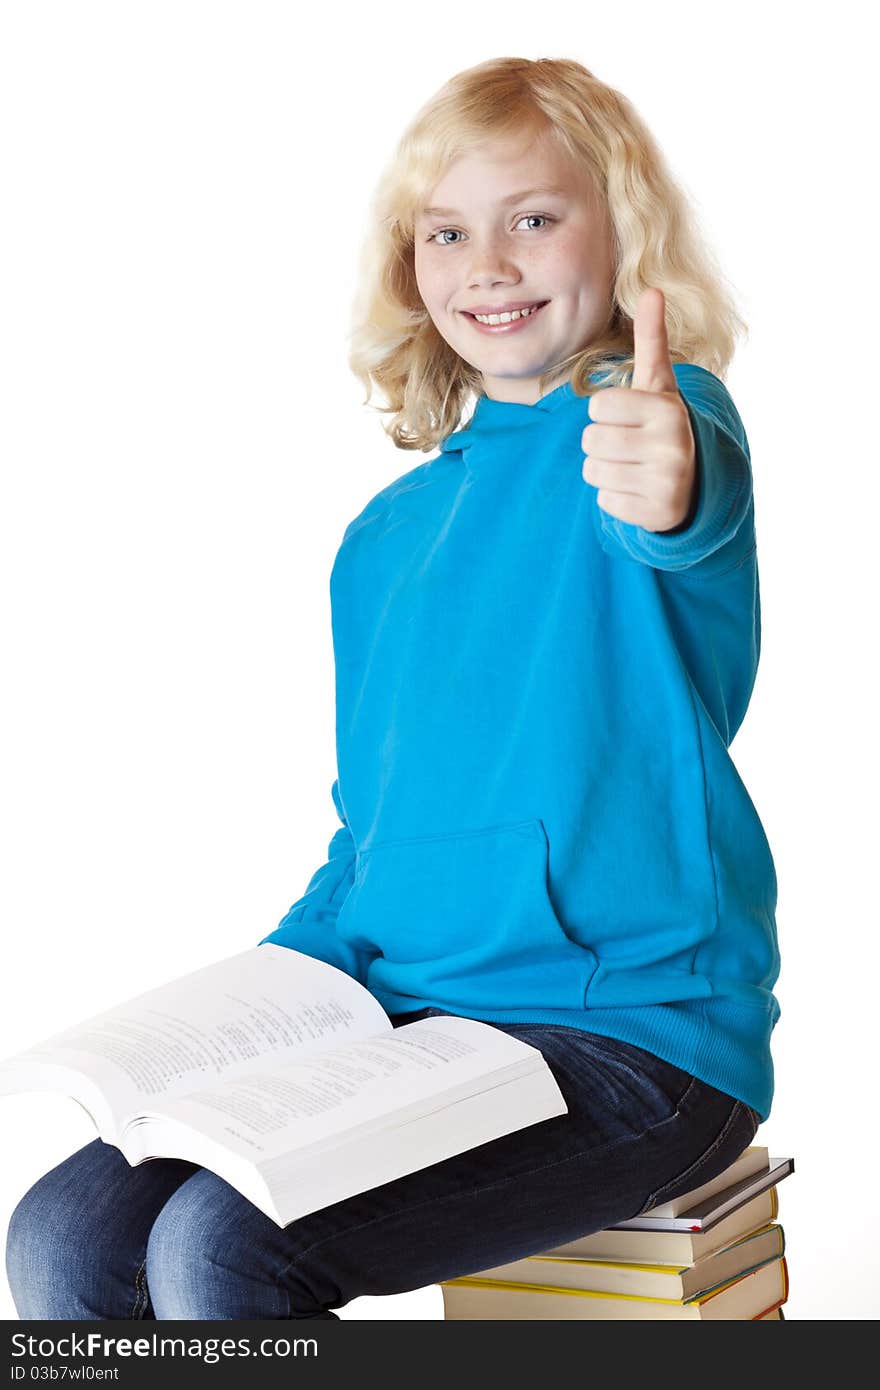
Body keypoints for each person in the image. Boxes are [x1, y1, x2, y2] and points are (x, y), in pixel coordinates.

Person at [6, 55, 778, 1321]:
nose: (489, 262)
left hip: (636, 1040)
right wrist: (256, 1009)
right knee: (62, 1231)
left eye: (534, 218)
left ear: (623, 233)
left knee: (222, 1253)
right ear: (408, 267)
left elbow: (680, 511)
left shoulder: (649, 427)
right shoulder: (384, 539)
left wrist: (671, 475)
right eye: (447, 231)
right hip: (410, 1029)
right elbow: (372, 842)